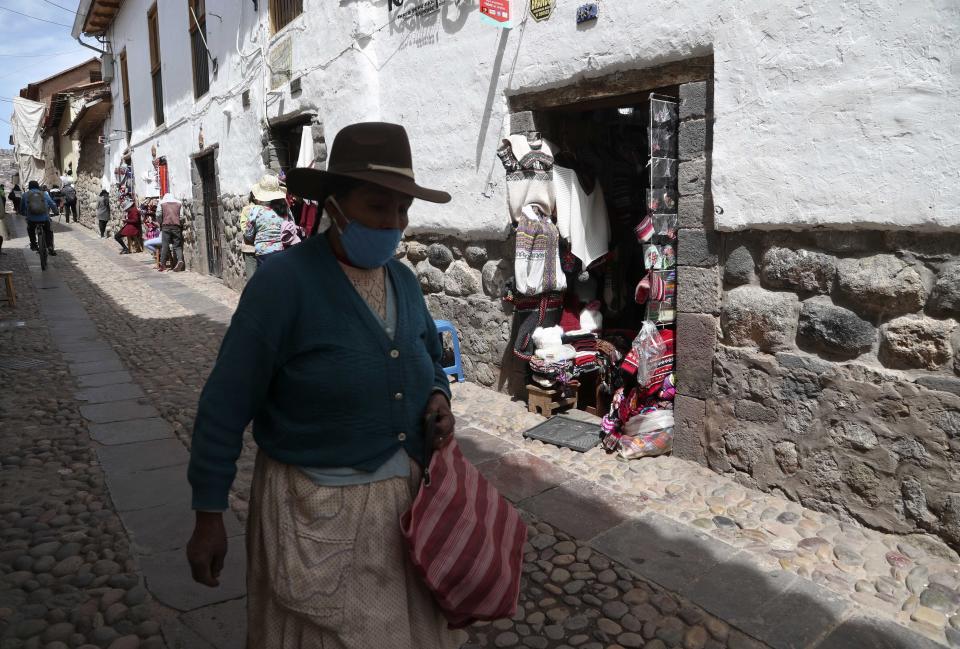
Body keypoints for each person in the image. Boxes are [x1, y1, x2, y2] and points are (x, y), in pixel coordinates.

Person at [186, 122, 463, 649]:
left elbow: (428, 357)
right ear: (334, 204)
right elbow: (223, 405)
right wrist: (208, 514)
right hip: (313, 514)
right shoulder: (283, 284)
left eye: (403, 210)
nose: (395, 224)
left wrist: (437, 398)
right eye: (379, 208)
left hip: (406, 516)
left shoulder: (403, 280)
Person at [242, 175, 288, 267]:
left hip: (264, 253)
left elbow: (249, 234)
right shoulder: (285, 208)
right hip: (282, 249)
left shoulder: (256, 210)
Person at [21, 180, 57, 255]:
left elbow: (22, 207)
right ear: (38, 186)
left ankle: (33, 244)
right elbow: (51, 203)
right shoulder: (44, 194)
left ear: (29, 187)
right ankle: (50, 246)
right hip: (44, 218)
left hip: (31, 218)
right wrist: (56, 211)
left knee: (30, 228)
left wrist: (23, 213)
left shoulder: (25, 195)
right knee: (48, 230)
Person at [158, 193, 185, 272]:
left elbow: (158, 214)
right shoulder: (179, 203)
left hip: (166, 226)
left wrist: (161, 222)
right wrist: (180, 223)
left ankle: (162, 264)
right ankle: (180, 260)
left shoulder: (162, 203)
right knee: (177, 246)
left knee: (165, 245)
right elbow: (181, 216)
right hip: (176, 226)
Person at [236, 192, 258, 280]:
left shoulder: (246, 209)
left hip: (250, 248)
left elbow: (244, 229)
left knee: (252, 280)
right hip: (255, 249)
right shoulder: (248, 209)